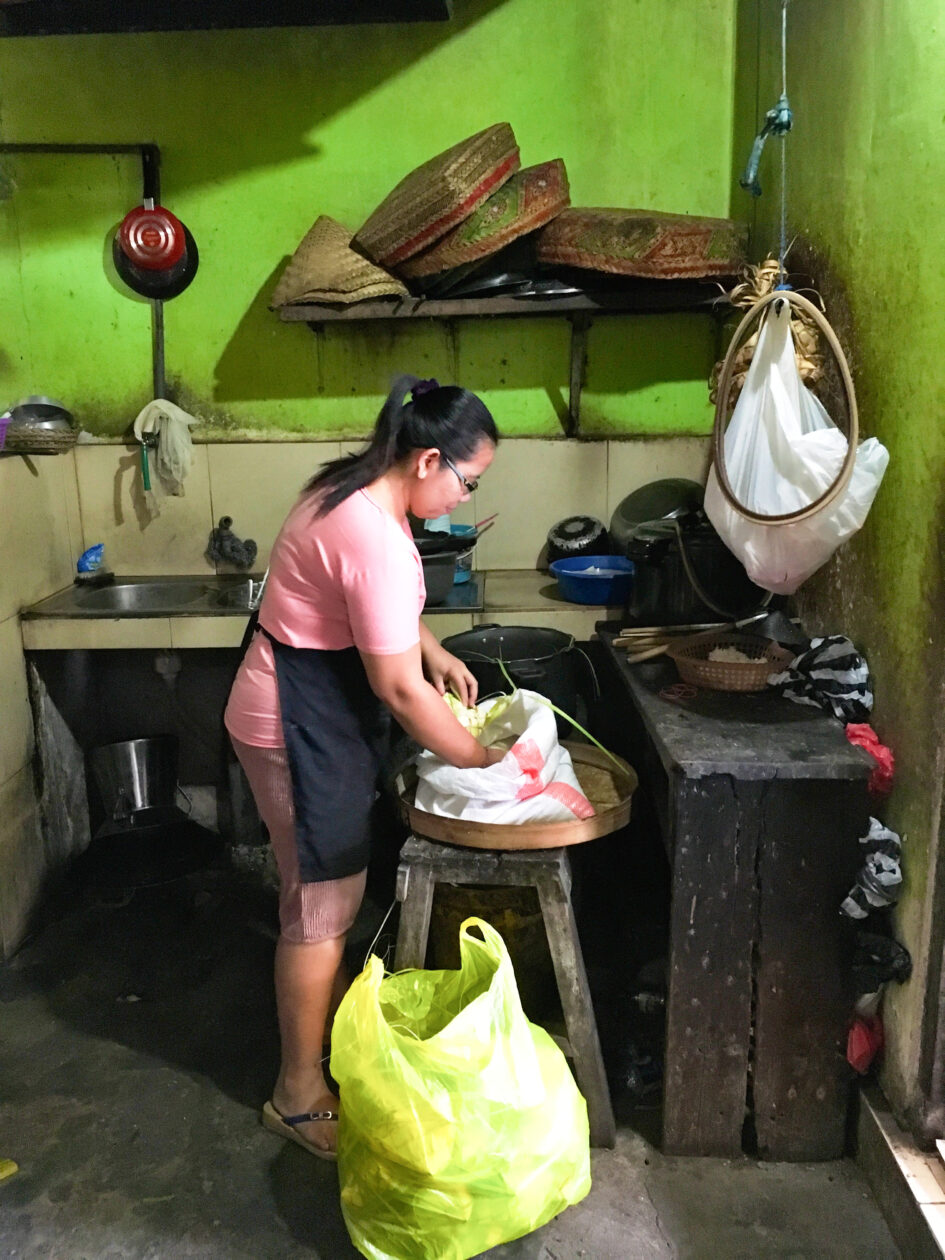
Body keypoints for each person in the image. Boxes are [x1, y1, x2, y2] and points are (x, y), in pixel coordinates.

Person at [224, 374, 501, 1160]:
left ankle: (324, 1022)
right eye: (468, 481)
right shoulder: (374, 535)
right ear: (426, 461)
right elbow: (400, 692)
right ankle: (296, 1094)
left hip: (303, 704)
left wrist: (431, 646)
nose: (465, 497)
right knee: (320, 910)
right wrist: (480, 757)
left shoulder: (348, 486)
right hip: (296, 722)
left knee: (321, 895)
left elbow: (369, 610)